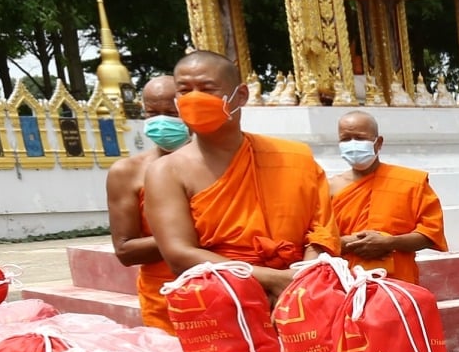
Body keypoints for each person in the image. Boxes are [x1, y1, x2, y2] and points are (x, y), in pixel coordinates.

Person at [142, 50, 338, 294]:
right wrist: (272, 280)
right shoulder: (166, 172)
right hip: (222, 298)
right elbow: (179, 254)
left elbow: (322, 230)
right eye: (184, 90)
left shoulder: (294, 156)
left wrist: (303, 276)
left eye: (206, 88)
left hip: (303, 293)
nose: (194, 98)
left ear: (241, 95)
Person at [328, 110, 448, 284]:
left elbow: (431, 234)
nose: (353, 144)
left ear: (379, 143)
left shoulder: (410, 182)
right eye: (346, 139)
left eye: (360, 138)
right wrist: (346, 243)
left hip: (398, 285)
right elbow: (316, 239)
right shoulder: (328, 188)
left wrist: (390, 243)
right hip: (344, 282)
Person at [105, 73, 185, 333]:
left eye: (171, 113)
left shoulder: (220, 166)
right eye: (152, 113)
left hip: (229, 289)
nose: (161, 121)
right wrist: (194, 236)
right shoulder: (127, 172)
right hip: (164, 295)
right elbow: (126, 250)